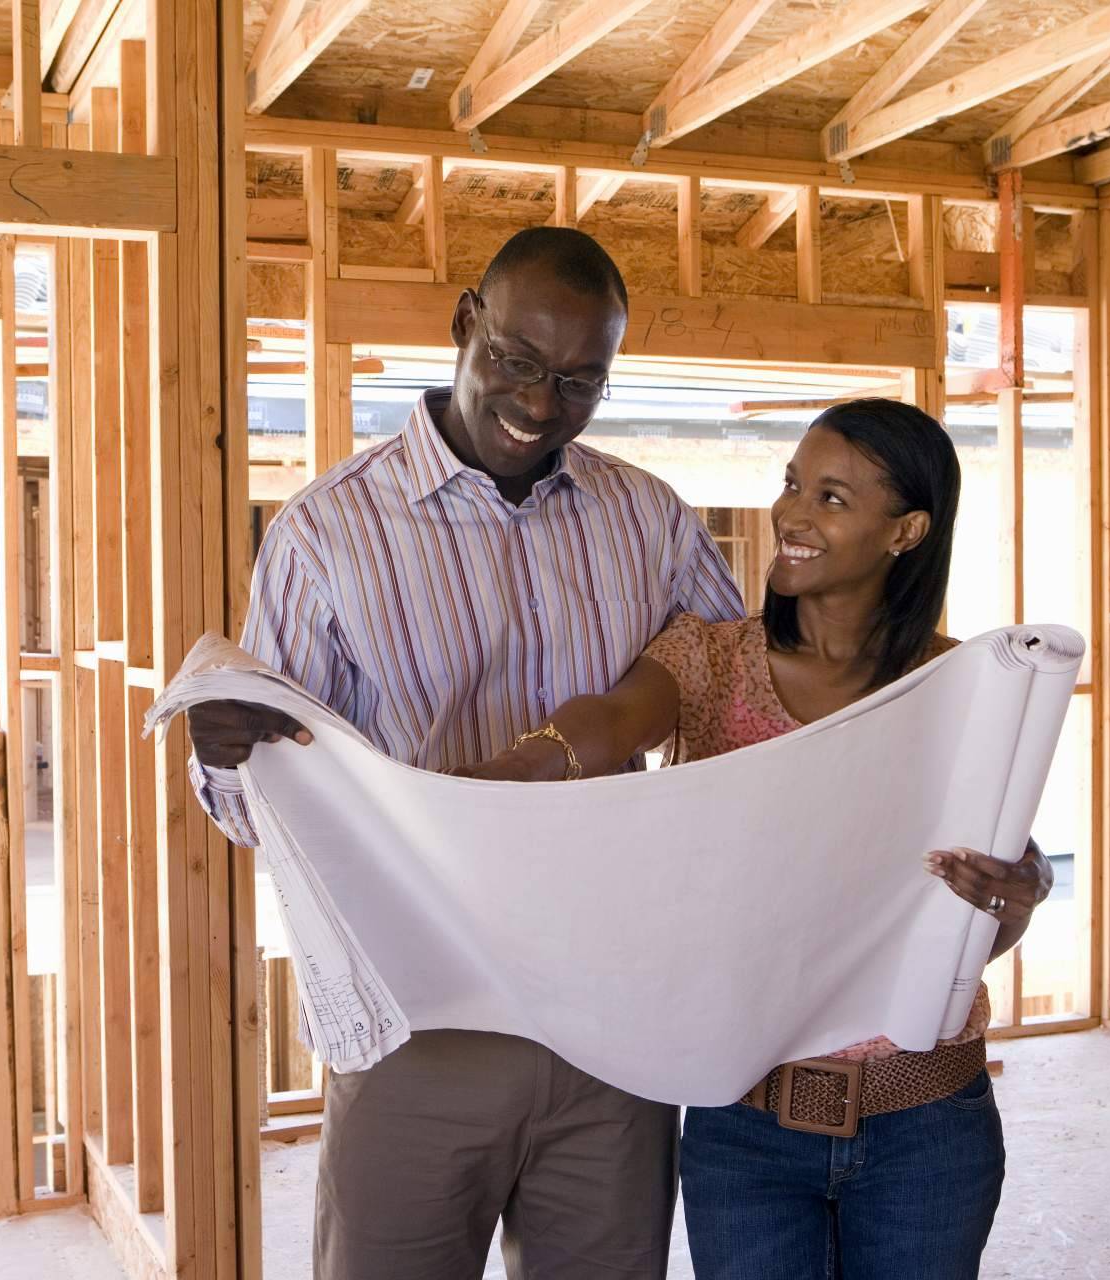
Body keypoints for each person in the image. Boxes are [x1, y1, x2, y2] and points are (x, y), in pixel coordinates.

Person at [183, 227, 745, 1279]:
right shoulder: (325, 534)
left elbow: (738, 697)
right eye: (519, 361)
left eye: (581, 380)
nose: (541, 403)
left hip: (610, 1018)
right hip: (418, 1017)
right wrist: (230, 756)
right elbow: (260, 813)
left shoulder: (649, 517)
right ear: (462, 323)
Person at [459, 398, 1053, 1280]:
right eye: (791, 484)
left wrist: (1018, 894)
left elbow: (995, 897)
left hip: (927, 1126)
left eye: (832, 497)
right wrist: (512, 775)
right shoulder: (711, 659)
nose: (792, 515)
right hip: (745, 1124)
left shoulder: (960, 685)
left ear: (908, 530)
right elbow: (612, 718)